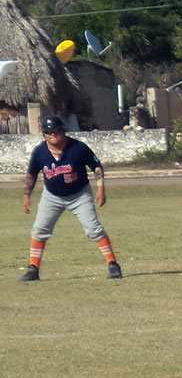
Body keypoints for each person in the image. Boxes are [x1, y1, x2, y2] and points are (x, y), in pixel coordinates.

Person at [20, 114, 121, 281]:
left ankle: (113, 264)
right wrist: (26, 195)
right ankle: (33, 269)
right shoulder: (39, 152)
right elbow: (31, 174)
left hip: (79, 195)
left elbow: (96, 166)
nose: (53, 135)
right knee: (39, 230)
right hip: (52, 196)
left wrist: (100, 188)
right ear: (44, 134)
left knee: (93, 229)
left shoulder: (78, 148)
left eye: (56, 131)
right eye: (49, 132)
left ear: (63, 131)